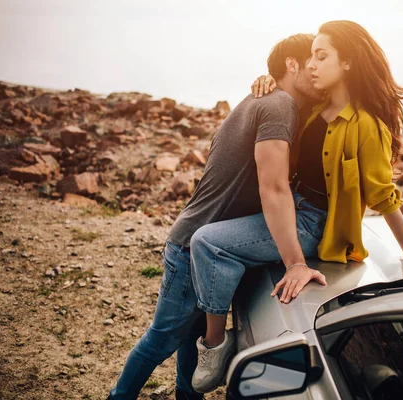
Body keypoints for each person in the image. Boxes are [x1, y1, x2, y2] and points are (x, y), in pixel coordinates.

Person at [189, 20, 403, 393]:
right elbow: (285, 98)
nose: (310, 64)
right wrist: (267, 79)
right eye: (310, 56)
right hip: (292, 206)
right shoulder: (315, 109)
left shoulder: (367, 125)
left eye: (321, 55)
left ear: (347, 63)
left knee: (207, 242)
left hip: (316, 224)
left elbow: (381, 193)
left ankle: (214, 347)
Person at [107, 33, 325, 400]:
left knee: (189, 337)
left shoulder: (268, 98)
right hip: (196, 243)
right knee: (163, 338)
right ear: (292, 64)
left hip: (198, 236)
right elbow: (272, 189)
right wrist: (296, 262)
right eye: (313, 61)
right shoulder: (279, 105)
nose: (318, 71)